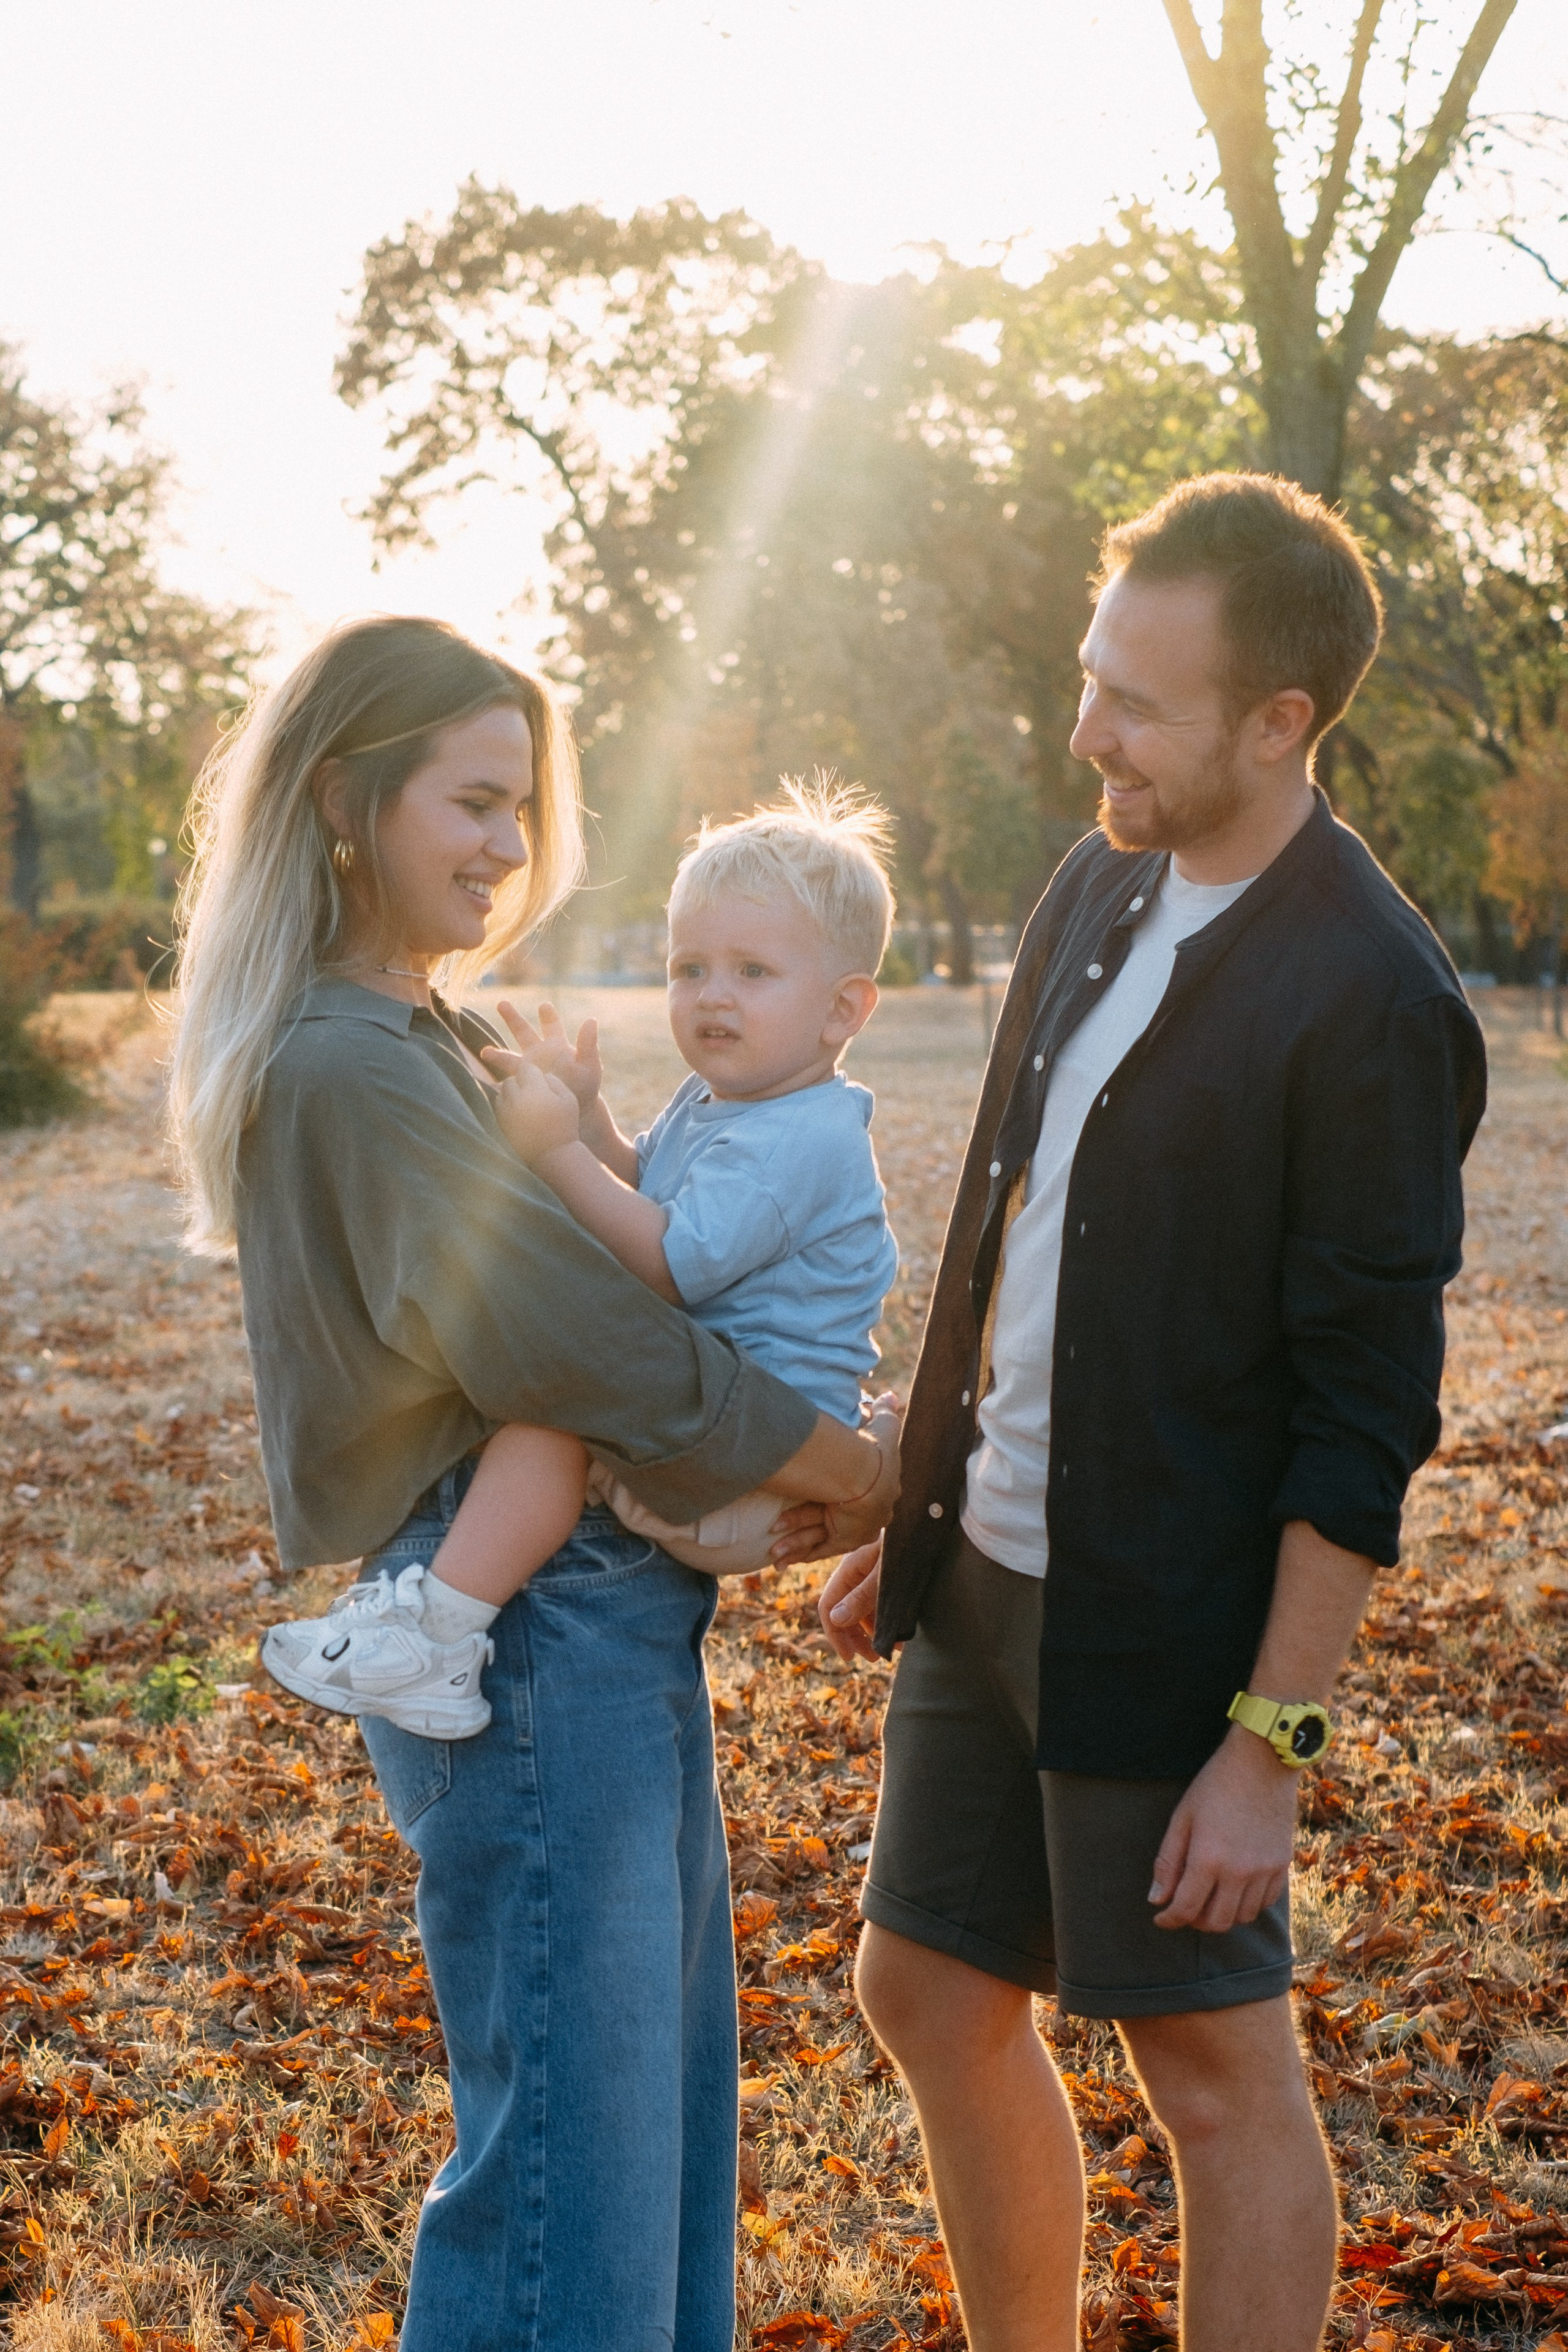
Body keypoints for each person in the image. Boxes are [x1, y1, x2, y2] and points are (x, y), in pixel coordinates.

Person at [167, 614, 899, 2352]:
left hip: (603, 1622)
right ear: (350, 802)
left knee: (649, 2142)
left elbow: (641, 1296)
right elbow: (592, 1352)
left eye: (525, 810)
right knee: (575, 2165)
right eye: (474, 804)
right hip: (520, 1632)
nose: (509, 850)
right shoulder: (350, 1059)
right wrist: (861, 1473)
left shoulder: (430, 1027)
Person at [817, 475, 1487, 2352]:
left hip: (1174, 1628)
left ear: (1282, 724)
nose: (1090, 730)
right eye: (1090, 677)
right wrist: (919, 1511)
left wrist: (1269, 1741)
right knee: (928, 1992)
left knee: (1211, 2079)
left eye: (1139, 702)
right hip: (996, 1573)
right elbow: (1007, 1218)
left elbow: (1369, 1418)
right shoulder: (1104, 873)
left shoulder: (1372, 998)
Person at [262, 780, 903, 1735]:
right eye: (690, 968)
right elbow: (650, 1190)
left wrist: (555, 1150)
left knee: (547, 1421)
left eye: (752, 972)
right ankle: (436, 1628)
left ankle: (439, 1633)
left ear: (843, 1010)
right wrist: (595, 1121)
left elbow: (669, 1265)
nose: (711, 996)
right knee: (557, 1412)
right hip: (737, 1443)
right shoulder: (727, 1099)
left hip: (759, 1472)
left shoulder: (803, 1138)